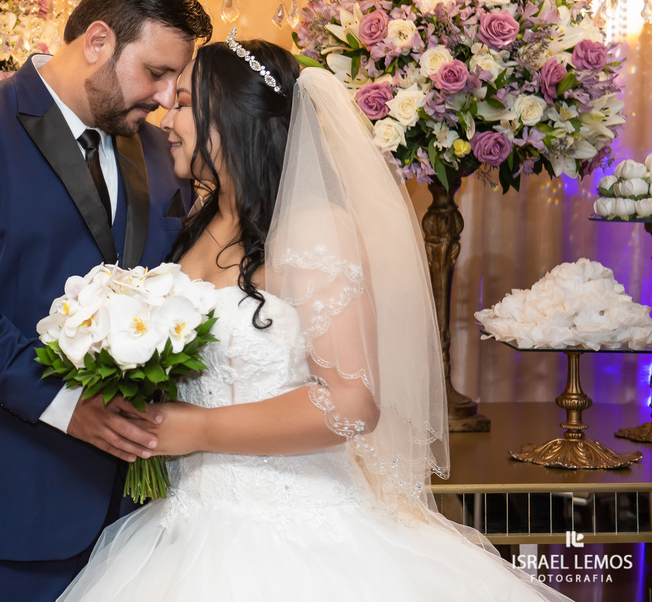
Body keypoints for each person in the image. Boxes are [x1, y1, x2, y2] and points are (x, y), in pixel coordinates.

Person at [57, 37, 571, 601]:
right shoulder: (197, 222)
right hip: (181, 518)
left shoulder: (312, 228)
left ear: (229, 115)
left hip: (291, 533)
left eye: (182, 102)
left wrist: (197, 429)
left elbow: (352, 402)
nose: (167, 116)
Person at [0, 0, 213, 601]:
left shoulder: (155, 152)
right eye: (157, 72)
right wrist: (66, 406)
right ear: (97, 42)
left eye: (177, 79)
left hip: (138, 522)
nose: (168, 98)